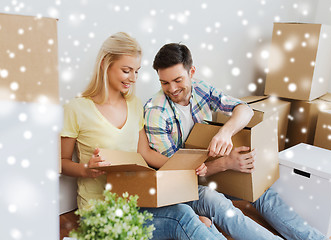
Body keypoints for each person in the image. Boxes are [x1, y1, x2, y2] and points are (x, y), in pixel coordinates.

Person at [144, 43, 328, 240]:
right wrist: (225, 163)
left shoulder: (199, 88)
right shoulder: (157, 112)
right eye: (164, 83)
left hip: (208, 169)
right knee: (219, 203)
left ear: (192, 72)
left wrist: (225, 132)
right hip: (181, 186)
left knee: (262, 191)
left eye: (177, 80)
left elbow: (244, 109)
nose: (172, 89)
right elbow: (177, 173)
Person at [60, 32, 226, 239]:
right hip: (100, 210)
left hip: (134, 200)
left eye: (136, 71)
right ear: (105, 64)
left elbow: (144, 152)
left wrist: (185, 168)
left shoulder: (135, 105)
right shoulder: (76, 108)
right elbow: (62, 162)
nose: (133, 78)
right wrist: (87, 170)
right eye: (126, 70)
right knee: (184, 219)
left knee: (198, 219)